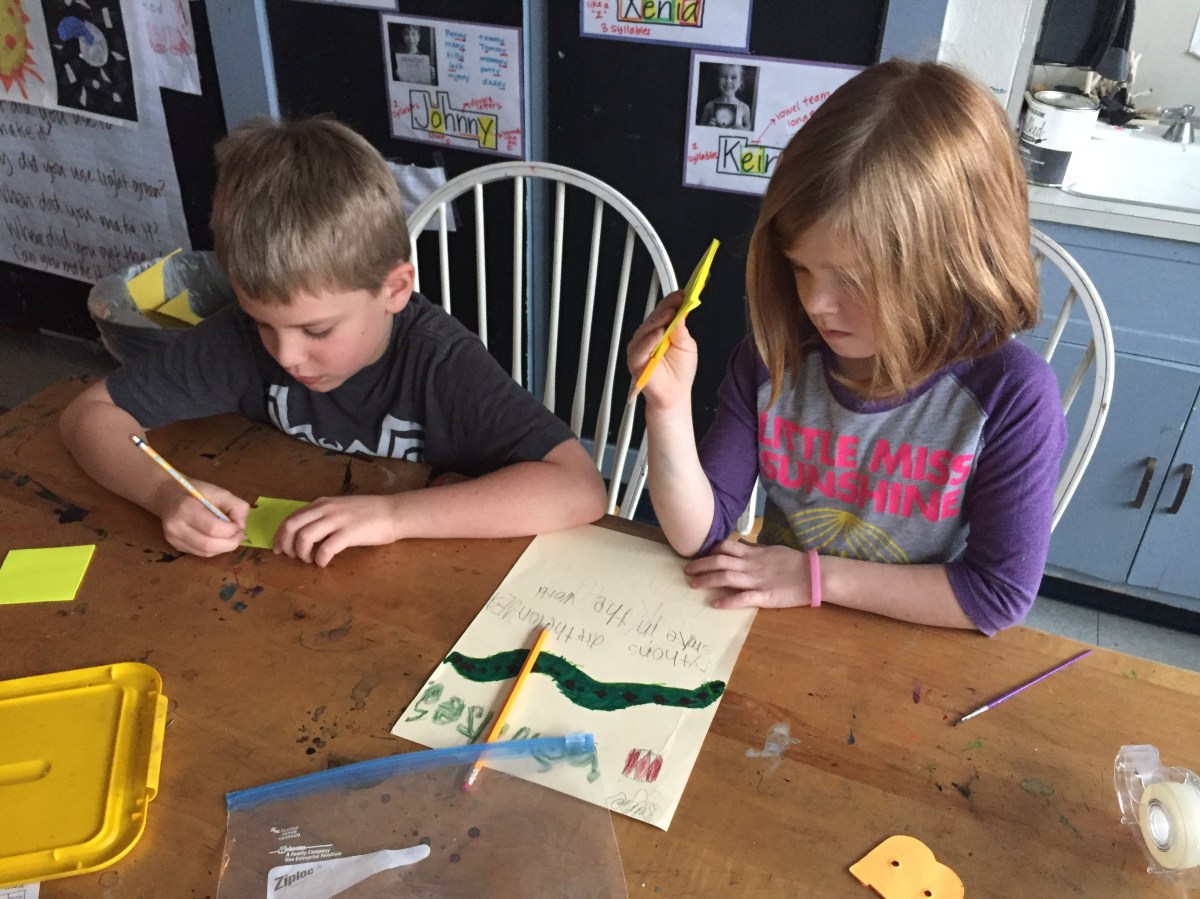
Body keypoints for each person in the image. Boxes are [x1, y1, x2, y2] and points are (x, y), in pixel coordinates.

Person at [628, 59, 1066, 635]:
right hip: (778, 629)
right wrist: (666, 406)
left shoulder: (1012, 393)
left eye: (854, 280)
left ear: (953, 265)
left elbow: (996, 595)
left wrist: (813, 577)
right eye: (800, 268)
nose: (815, 303)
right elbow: (699, 536)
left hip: (906, 637)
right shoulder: (774, 357)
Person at [60, 116, 607, 567]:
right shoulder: (238, 340)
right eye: (262, 322)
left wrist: (394, 516)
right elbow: (88, 415)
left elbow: (578, 489)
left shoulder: (439, 363)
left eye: (317, 330)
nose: (286, 354)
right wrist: (164, 493)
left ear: (395, 289)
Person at [699, 64, 752, 129]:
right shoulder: (709, 106)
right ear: (718, 80)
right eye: (723, 76)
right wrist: (708, 127)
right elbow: (701, 126)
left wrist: (742, 130)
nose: (728, 81)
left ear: (740, 82)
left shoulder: (744, 107)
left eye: (734, 77)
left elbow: (748, 126)